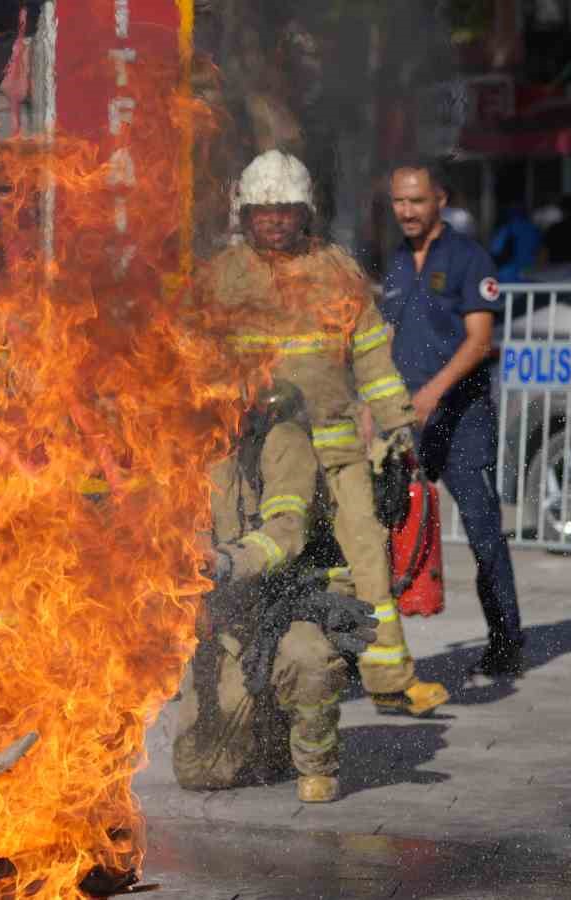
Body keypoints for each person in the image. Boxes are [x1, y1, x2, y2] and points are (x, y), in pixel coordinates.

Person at [198, 150, 449, 716]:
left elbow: (371, 359)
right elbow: (196, 360)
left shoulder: (338, 272)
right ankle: (228, 680)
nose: (275, 222)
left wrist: (397, 426)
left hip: (336, 447)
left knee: (366, 555)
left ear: (305, 212)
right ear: (245, 216)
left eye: (285, 210)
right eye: (264, 212)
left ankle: (389, 677)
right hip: (250, 453)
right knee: (238, 557)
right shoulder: (221, 278)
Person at [175, 383, 377, 803]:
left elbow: (286, 531)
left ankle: (316, 763)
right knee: (200, 771)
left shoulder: (284, 442)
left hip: (291, 600)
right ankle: (270, 733)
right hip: (235, 611)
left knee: (307, 659)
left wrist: (228, 562)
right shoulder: (204, 451)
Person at [380, 158, 524, 679]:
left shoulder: (469, 258)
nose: (407, 210)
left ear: (440, 198)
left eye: (416, 200)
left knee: (484, 532)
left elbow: (480, 341)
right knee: (376, 528)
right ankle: (372, 647)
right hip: (406, 420)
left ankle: (506, 640)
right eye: (399, 200)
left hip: (461, 421)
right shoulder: (396, 260)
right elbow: (389, 336)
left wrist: (435, 392)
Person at [489, 204, 542, 282]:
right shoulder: (534, 230)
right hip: (531, 276)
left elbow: (496, 253)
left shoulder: (507, 229)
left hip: (508, 278)